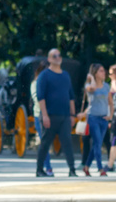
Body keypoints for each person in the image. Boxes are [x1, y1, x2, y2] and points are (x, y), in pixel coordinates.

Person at [36, 48, 77, 177]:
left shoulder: (65, 75)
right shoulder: (44, 75)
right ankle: (39, 170)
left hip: (65, 116)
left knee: (67, 142)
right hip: (50, 115)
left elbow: (70, 96)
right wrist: (44, 115)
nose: (58, 57)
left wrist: (72, 114)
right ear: (49, 59)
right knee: (45, 143)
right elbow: (40, 97)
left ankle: (72, 169)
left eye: (59, 55)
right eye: (54, 56)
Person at [83, 63, 111, 176]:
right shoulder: (88, 86)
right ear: (95, 73)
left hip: (104, 118)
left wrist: (110, 116)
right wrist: (91, 78)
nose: (104, 73)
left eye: (104, 70)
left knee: (97, 144)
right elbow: (92, 88)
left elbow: (110, 102)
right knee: (98, 143)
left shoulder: (106, 86)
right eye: (101, 71)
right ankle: (100, 169)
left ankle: (86, 166)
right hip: (93, 117)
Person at [30, 60, 52, 176]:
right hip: (40, 115)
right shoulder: (35, 83)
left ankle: (45, 167)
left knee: (47, 142)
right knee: (45, 142)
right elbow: (37, 99)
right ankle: (47, 167)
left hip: (52, 114)